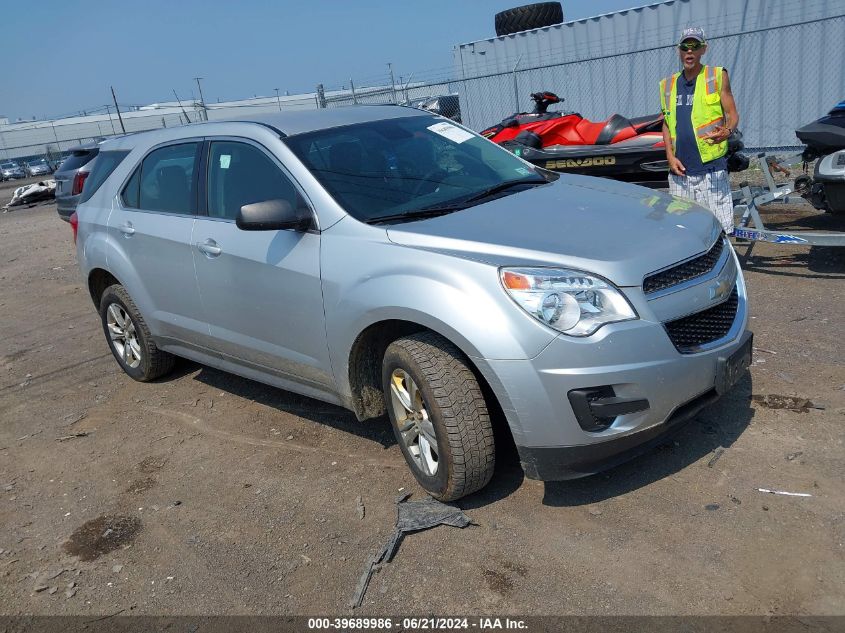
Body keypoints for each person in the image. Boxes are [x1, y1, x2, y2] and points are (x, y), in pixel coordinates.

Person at [659, 27, 739, 235]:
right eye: (685, 47)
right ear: (679, 50)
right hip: (680, 172)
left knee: (720, 230)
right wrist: (669, 156)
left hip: (710, 169)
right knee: (682, 231)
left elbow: (732, 114)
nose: (689, 51)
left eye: (694, 46)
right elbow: (667, 123)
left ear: (703, 49)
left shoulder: (716, 76)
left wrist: (727, 130)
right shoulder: (667, 85)